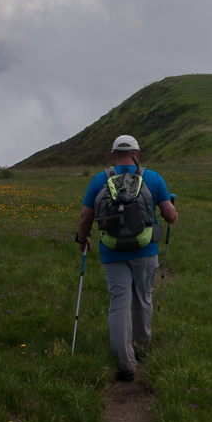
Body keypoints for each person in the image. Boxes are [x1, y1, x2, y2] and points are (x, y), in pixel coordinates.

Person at [76, 135, 178, 381]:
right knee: (142, 298)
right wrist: (172, 212)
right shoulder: (153, 178)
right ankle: (142, 348)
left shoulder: (100, 179)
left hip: (111, 251)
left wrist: (82, 241)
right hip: (145, 250)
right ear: (137, 153)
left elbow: (85, 217)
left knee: (119, 302)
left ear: (113, 155)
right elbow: (170, 216)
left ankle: (125, 362)